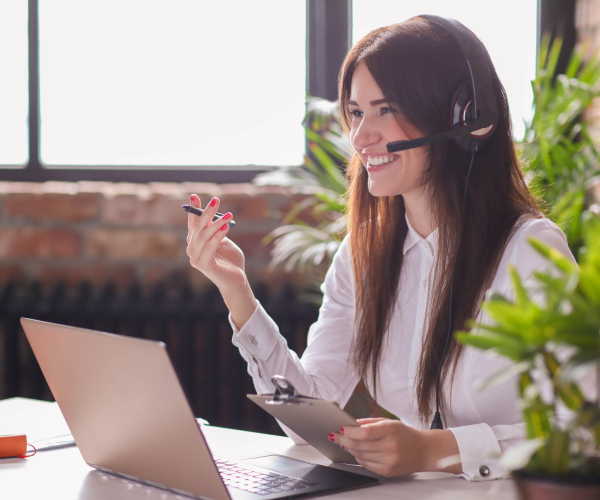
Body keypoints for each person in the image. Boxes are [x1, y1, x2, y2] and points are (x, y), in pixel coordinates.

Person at [185, 17, 574, 481]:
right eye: (355, 112)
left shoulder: (529, 250)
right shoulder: (363, 252)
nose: (359, 136)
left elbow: (583, 432)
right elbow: (309, 409)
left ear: (462, 118)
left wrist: (437, 451)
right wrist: (238, 295)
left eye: (385, 109)